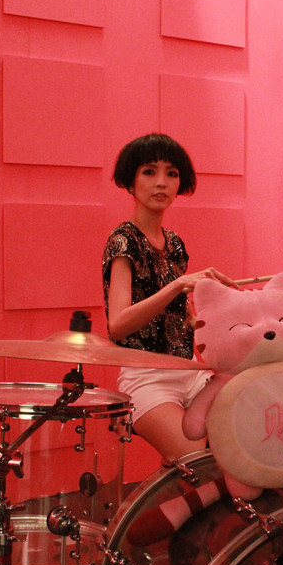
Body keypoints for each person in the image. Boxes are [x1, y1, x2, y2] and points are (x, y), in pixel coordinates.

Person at [102, 133, 236, 461]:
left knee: (247, 434)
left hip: (190, 372)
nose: (161, 182)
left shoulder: (174, 243)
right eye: (149, 172)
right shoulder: (123, 241)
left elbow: (181, 318)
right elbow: (117, 325)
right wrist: (177, 286)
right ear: (131, 181)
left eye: (171, 173)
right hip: (147, 379)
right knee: (198, 459)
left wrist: (219, 312)